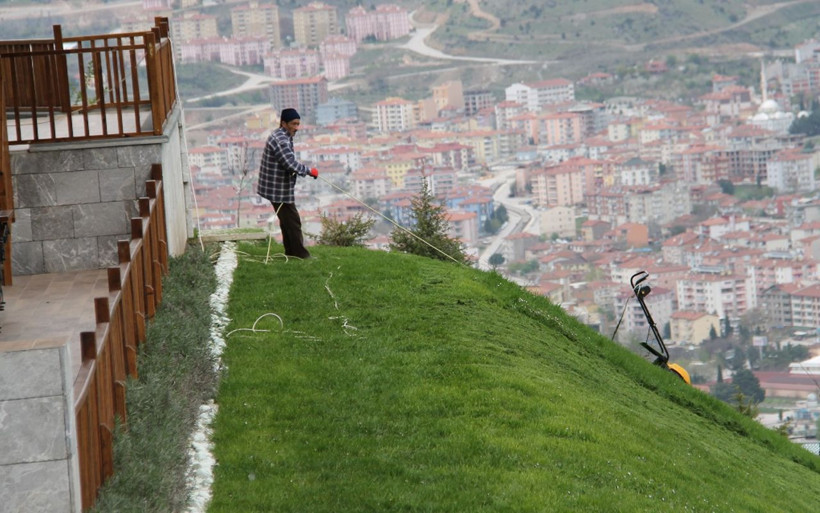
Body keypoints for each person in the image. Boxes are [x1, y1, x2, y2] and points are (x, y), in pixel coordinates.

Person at [257, 108, 318, 258]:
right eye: (293, 124)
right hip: (277, 189)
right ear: (283, 123)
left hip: (277, 187)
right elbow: (290, 163)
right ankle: (301, 255)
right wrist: (309, 171)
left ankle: (290, 252)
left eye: (298, 124)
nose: (296, 127)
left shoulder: (282, 135)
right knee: (293, 222)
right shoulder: (281, 140)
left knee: (286, 222)